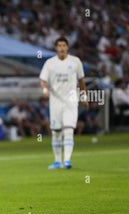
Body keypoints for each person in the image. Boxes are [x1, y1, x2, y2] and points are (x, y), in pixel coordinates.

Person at [39, 36, 88, 169]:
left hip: (71, 101)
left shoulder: (75, 61)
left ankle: (67, 160)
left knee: (69, 130)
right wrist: (44, 90)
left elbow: (81, 80)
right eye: (59, 46)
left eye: (64, 45)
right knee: (56, 131)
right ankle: (57, 161)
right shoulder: (50, 63)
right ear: (56, 48)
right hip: (55, 101)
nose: (61, 48)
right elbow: (43, 80)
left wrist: (84, 96)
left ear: (67, 47)